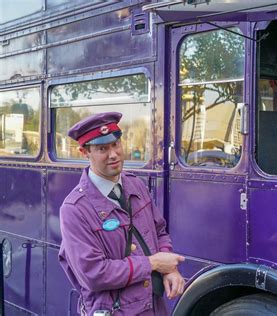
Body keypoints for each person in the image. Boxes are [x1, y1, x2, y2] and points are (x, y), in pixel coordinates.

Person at [58, 112, 185, 316]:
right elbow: (94, 274)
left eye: (116, 144)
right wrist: (153, 263)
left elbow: (159, 231)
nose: (113, 154)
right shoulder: (74, 209)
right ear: (84, 152)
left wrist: (169, 269)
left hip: (153, 308)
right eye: (102, 149)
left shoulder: (135, 184)